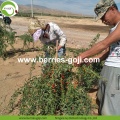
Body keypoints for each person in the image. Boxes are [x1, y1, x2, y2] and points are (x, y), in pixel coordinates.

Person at [74, 0, 120, 115]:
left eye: (103, 16)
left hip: (117, 71)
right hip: (108, 69)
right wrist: (92, 60)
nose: (102, 21)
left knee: (112, 107)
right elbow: (109, 51)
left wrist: (82, 55)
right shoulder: (113, 29)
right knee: (102, 99)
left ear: (112, 9)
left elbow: (104, 44)